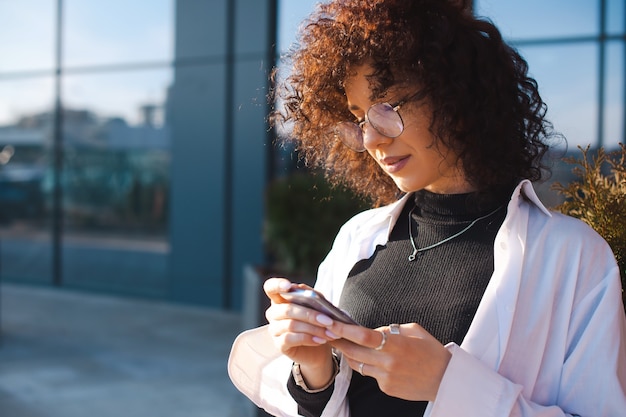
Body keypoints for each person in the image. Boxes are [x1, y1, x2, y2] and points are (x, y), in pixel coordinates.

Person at [228, 0, 626, 416]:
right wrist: (314, 371)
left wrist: (446, 382)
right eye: (359, 118)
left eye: (387, 109)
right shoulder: (358, 236)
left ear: (457, 96)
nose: (371, 140)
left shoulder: (573, 255)